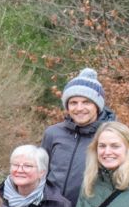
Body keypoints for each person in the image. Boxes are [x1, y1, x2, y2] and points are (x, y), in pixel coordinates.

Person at [41, 68, 117, 199]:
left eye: (86, 102)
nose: (79, 108)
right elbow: (40, 173)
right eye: (73, 103)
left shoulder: (112, 136)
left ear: (97, 106)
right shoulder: (53, 134)